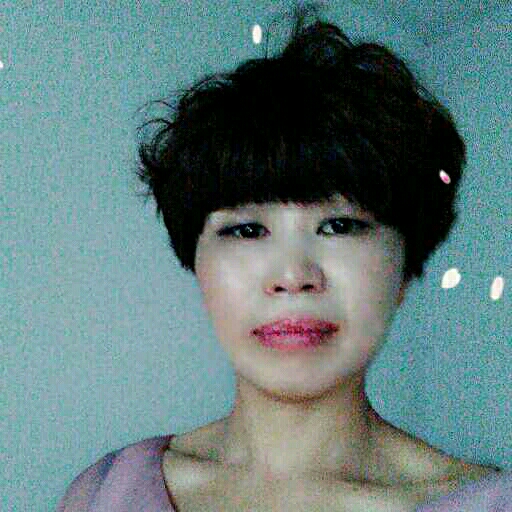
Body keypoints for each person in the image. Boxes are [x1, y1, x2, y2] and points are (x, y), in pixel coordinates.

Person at [57, 3, 511, 511]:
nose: (293, 275)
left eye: (339, 225)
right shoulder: (105, 493)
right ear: (197, 263)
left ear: (407, 268)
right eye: (247, 230)